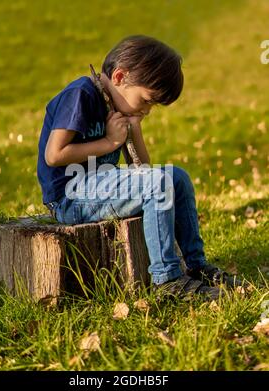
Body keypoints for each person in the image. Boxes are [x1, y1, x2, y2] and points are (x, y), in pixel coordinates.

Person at [37, 35, 245, 301]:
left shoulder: (117, 102)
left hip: (101, 185)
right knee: (158, 183)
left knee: (176, 178)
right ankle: (168, 280)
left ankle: (196, 266)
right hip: (70, 197)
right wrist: (109, 142)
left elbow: (143, 170)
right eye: (147, 101)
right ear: (120, 77)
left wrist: (134, 129)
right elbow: (54, 155)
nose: (147, 110)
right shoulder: (81, 95)